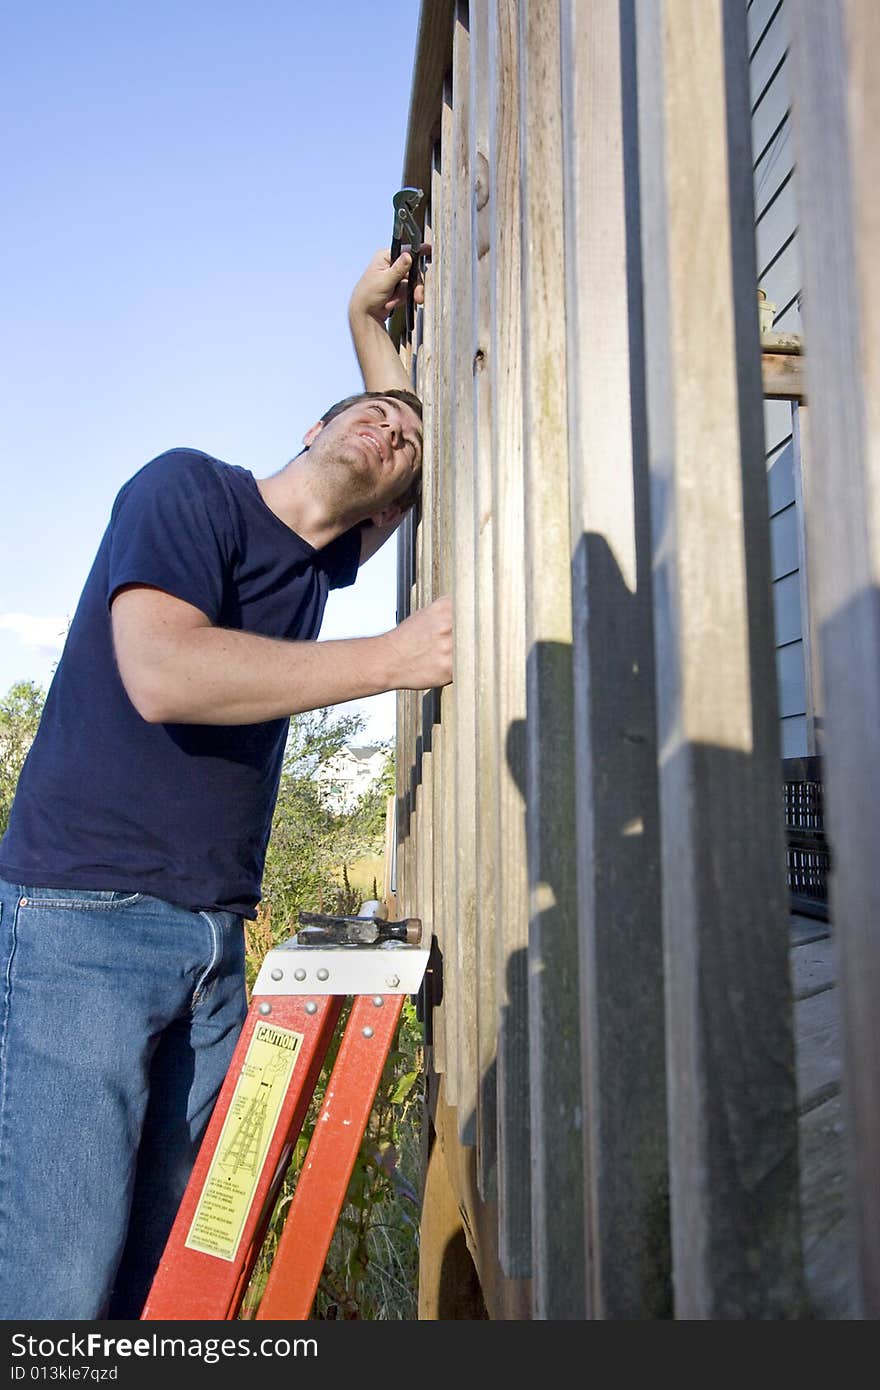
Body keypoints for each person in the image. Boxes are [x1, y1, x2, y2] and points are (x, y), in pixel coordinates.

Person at [0, 248, 451, 1321]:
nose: (389, 429)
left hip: (211, 938)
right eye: (368, 415)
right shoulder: (186, 487)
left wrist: (361, 316)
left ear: (395, 498)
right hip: (82, 919)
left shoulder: (316, 564)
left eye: (407, 442)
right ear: (309, 427)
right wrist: (389, 658)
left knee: (165, 1272)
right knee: (57, 1280)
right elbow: (163, 672)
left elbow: (410, 411)